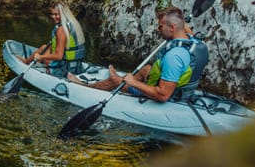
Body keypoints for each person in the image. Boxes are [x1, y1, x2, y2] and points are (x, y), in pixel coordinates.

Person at [68, 6, 208, 102]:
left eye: (160, 26)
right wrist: (182, 21)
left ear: (172, 27)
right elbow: (183, 27)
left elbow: (163, 95)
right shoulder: (196, 42)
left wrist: (133, 82)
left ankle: (87, 86)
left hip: (170, 95)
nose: (157, 29)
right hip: (183, 89)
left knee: (118, 81)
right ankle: (124, 83)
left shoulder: (174, 57)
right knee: (146, 69)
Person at [19, 0, 86, 77]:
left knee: (42, 53)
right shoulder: (73, 23)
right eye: (52, 14)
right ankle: (26, 61)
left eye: (56, 14)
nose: (53, 17)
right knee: (44, 47)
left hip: (64, 69)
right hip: (76, 67)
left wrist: (40, 57)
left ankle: (26, 62)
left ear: (63, 14)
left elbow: (58, 56)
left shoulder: (61, 30)